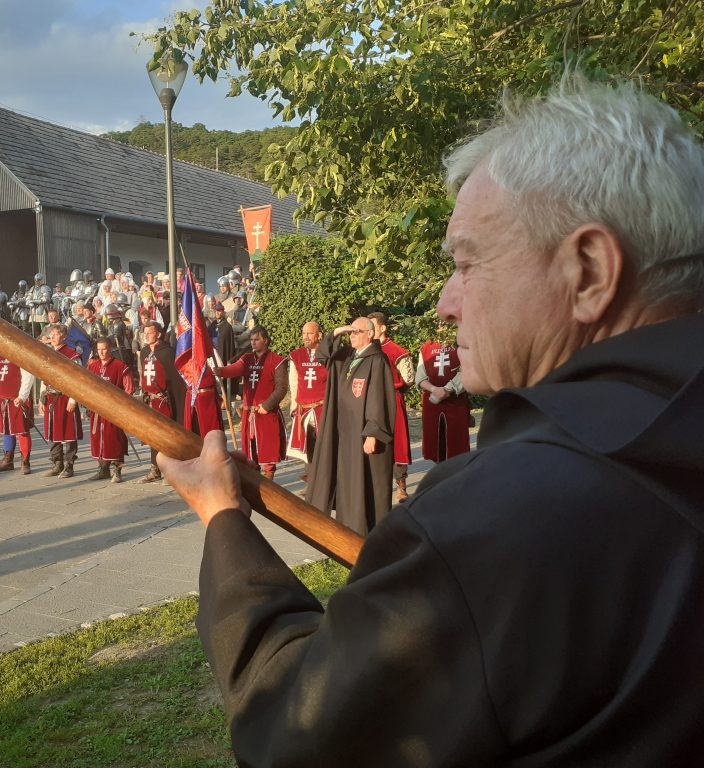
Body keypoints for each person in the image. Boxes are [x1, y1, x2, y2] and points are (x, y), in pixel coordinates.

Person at [157, 74, 704, 766]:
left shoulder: (502, 517)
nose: (446, 304)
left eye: (467, 263)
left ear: (590, 270)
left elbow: (296, 730)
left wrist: (223, 521)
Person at [304, 317, 395, 535]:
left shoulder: (377, 360)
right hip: (344, 431)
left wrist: (373, 432)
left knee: (364, 483)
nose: (352, 335)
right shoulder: (347, 357)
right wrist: (337, 331)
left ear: (369, 334)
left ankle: (368, 533)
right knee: (348, 482)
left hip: (363, 433)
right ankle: (348, 529)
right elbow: (322, 355)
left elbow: (378, 397)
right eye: (350, 332)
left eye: (356, 332)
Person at [215, 327, 288, 480]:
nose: (253, 343)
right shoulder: (247, 359)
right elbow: (234, 369)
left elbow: (281, 388)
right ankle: (255, 485)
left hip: (266, 413)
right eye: (251, 340)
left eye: (256, 340)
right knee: (250, 453)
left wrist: (267, 406)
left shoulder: (277, 361)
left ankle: (269, 485)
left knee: (267, 454)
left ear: (265, 340)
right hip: (249, 413)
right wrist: (220, 371)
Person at [368, 311, 415, 501]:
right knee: (372, 439)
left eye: (373, 326)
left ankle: (401, 486)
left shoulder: (396, 351)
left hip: (393, 400)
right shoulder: (366, 349)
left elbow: (409, 379)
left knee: (397, 443)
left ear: (382, 328)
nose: (370, 331)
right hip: (371, 402)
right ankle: (375, 485)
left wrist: (394, 388)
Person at [136, 321, 184, 483]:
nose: (147, 336)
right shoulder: (143, 352)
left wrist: (171, 398)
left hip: (165, 401)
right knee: (153, 436)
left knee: (167, 436)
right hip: (150, 401)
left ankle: (171, 470)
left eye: (150, 333)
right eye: (145, 333)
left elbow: (175, 380)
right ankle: (154, 469)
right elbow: (143, 375)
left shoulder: (167, 353)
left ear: (158, 334)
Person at [86, 339, 135, 483]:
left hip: (114, 412)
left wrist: (121, 406)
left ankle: (117, 470)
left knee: (115, 440)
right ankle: (103, 469)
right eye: (99, 349)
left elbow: (129, 389)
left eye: (104, 349)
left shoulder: (120, 366)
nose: (101, 352)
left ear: (110, 349)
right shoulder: (93, 367)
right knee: (99, 439)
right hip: (97, 411)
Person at [416, 333, 471, 462]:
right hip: (432, 403)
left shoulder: (461, 344)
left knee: (456, 443)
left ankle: (457, 476)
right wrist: (435, 390)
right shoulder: (425, 348)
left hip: (455, 402)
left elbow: (467, 370)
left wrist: (448, 389)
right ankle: (440, 472)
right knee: (435, 442)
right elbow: (420, 377)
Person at [40, 324, 83, 478]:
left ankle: (69, 465)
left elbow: (78, 380)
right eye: (51, 333)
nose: (52, 336)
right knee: (53, 432)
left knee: (68, 432)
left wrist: (73, 399)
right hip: (50, 398)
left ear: (64, 336)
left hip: (66, 398)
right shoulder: (47, 353)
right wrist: (41, 398)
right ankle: (57, 463)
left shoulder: (72, 355)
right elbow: (43, 377)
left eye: (56, 334)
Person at [287, 321, 328, 475]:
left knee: (324, 447)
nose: (306, 337)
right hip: (303, 409)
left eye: (310, 333)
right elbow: (293, 381)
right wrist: (293, 405)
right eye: (304, 333)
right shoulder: (296, 355)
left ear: (319, 336)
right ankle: (311, 481)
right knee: (307, 447)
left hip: (322, 407)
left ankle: (324, 481)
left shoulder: (327, 355)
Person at [0, 353, 36, 474]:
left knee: (22, 431)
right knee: (7, 430)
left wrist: (22, 397)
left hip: (16, 400)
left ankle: (25, 462)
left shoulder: (20, 355)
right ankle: (8, 461)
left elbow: (28, 376)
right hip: (2, 400)